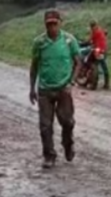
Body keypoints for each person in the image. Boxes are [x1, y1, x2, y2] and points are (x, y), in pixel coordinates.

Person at [29, 10, 82, 169]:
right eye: (48, 24)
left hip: (63, 89)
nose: (51, 27)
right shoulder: (39, 42)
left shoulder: (69, 40)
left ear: (60, 23)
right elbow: (34, 66)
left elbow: (78, 61)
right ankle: (49, 155)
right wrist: (32, 88)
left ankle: (68, 143)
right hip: (45, 89)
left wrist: (71, 82)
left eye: (54, 23)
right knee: (45, 125)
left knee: (67, 122)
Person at [88, 20, 110, 90]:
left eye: (92, 27)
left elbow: (89, 41)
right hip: (104, 50)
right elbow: (105, 33)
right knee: (104, 66)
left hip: (98, 50)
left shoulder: (94, 32)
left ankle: (94, 83)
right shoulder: (100, 30)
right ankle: (106, 84)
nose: (93, 28)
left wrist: (85, 42)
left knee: (93, 65)